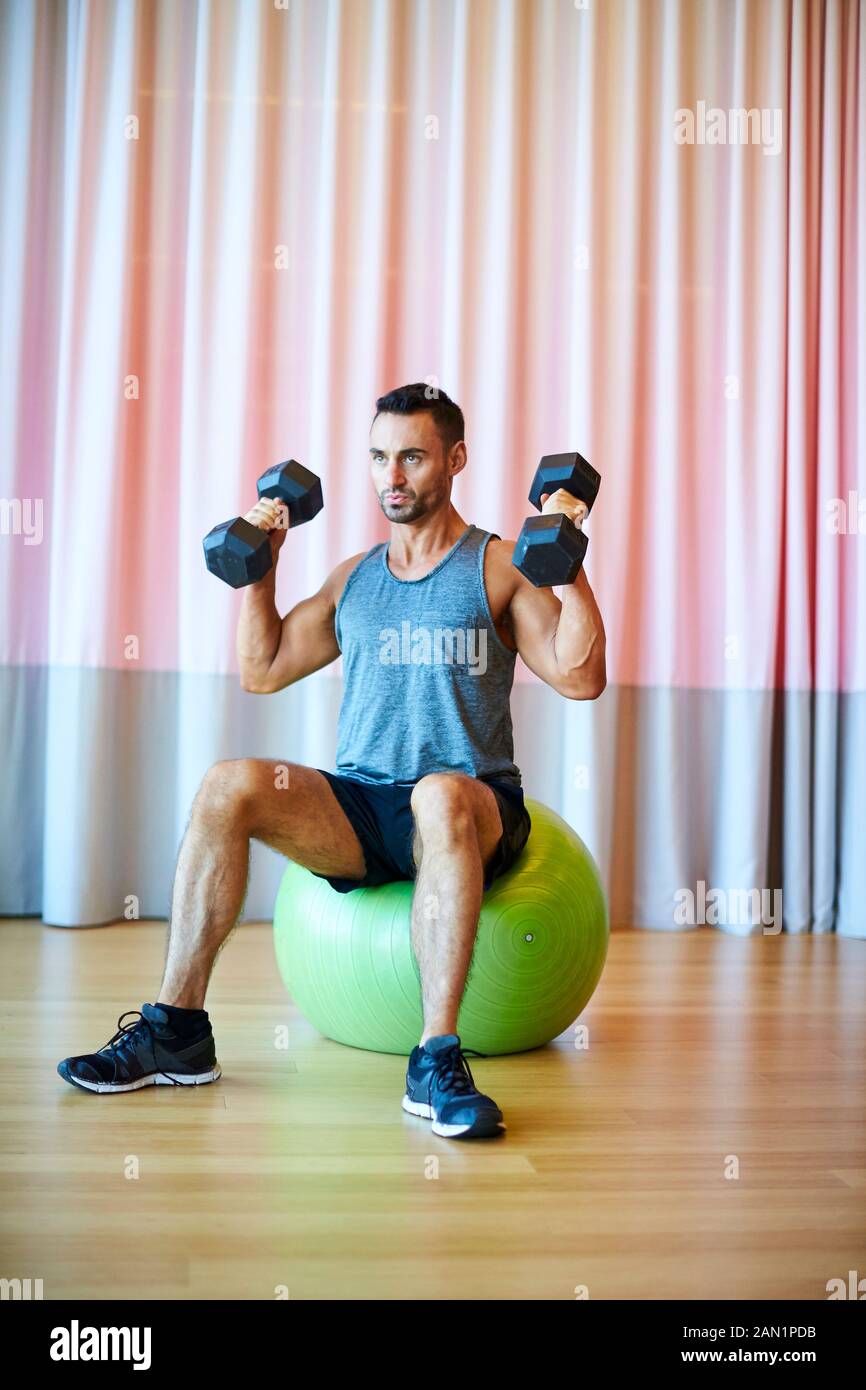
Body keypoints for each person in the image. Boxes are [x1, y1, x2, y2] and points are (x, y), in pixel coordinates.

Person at [58, 384, 606, 1139]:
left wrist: (569, 566)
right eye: (380, 457)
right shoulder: (357, 577)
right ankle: (177, 1029)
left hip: (471, 806)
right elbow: (267, 667)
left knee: (440, 793)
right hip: (366, 804)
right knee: (229, 785)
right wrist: (262, 576)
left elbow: (580, 677)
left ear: (455, 459)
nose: (393, 476)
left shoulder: (502, 564)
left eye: (412, 457)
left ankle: (435, 1058)